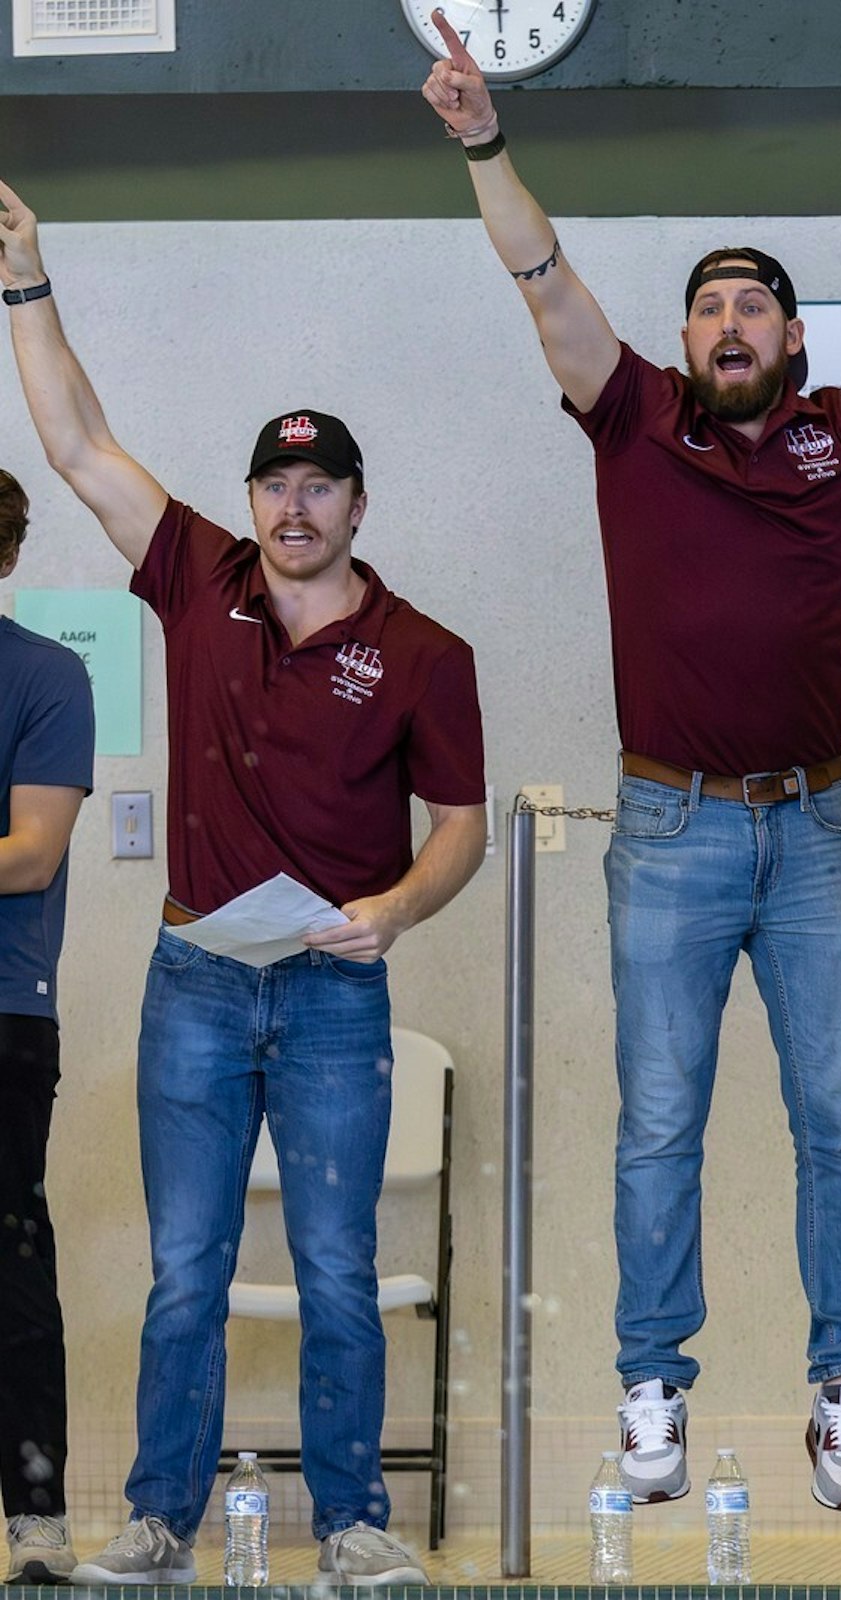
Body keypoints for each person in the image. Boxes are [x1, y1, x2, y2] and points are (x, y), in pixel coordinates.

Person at [420, 15, 841, 1515]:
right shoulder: (633, 421)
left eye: (756, 304)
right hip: (669, 827)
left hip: (817, 829)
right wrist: (487, 144)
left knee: (836, 1118)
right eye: (710, 308)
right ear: (687, 343)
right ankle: (650, 1391)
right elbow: (543, 277)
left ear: (796, 339)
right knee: (660, 1120)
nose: (732, 322)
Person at [0, 181, 489, 1586]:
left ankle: (354, 1528)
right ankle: (160, 1522)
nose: (290, 505)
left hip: (337, 992)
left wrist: (394, 911)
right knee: (184, 1278)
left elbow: (455, 823)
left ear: (354, 502)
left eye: (316, 484)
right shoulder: (196, 578)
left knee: (339, 1276)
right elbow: (79, 443)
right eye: (272, 483)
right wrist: (28, 283)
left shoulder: (424, 652)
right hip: (197, 987)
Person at [0, 470, 94, 1585]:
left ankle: (35, 1520)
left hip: (5, 1017)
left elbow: (30, 852)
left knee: (11, 1265)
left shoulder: (48, 675)